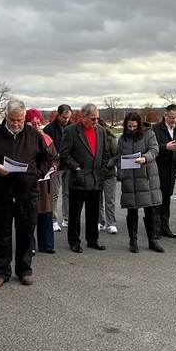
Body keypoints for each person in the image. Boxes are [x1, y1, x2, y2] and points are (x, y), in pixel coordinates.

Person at [0, 100, 54, 287]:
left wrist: (36, 174)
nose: (17, 123)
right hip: (1, 193)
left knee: (26, 233)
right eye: (13, 120)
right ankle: (1, 272)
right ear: (6, 116)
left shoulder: (34, 135)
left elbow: (49, 158)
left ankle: (24, 270)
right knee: (0, 234)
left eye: (20, 120)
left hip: (27, 192)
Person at [58, 103, 114, 253]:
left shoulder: (101, 131)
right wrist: (75, 167)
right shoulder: (71, 131)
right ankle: (74, 241)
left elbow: (105, 153)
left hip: (96, 178)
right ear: (83, 117)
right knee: (75, 213)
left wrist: (102, 170)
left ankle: (92, 239)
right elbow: (64, 155)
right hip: (78, 178)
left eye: (97, 118)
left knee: (93, 212)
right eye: (92, 119)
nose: (95, 121)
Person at [117, 112, 166, 253]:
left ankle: (152, 240)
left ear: (139, 125)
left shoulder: (149, 135)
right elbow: (118, 157)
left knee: (150, 210)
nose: (131, 129)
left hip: (146, 178)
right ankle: (133, 240)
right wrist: (121, 174)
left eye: (134, 126)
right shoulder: (122, 139)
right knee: (132, 211)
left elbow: (154, 150)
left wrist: (145, 158)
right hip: (130, 178)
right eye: (129, 126)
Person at [26, 108, 59, 254]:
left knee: (46, 212)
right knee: (30, 214)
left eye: (38, 123)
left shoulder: (47, 139)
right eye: (33, 123)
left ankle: (47, 244)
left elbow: (56, 158)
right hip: (30, 181)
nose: (36, 126)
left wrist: (54, 166)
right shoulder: (24, 140)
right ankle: (29, 246)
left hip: (45, 183)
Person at [150, 104, 176, 238]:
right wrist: (165, 147)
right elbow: (151, 149)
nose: (174, 120)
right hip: (158, 170)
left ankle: (165, 227)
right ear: (165, 116)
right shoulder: (155, 129)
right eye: (172, 117)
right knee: (157, 201)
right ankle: (155, 229)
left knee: (166, 200)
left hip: (171, 170)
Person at [43, 104, 72, 232]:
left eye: (68, 117)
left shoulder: (72, 127)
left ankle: (67, 218)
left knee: (68, 193)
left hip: (69, 164)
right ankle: (54, 219)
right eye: (64, 117)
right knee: (54, 194)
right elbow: (46, 148)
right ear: (58, 115)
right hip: (56, 166)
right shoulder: (49, 129)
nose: (66, 120)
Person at [97, 118, 119, 234]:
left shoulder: (111, 139)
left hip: (109, 174)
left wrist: (106, 165)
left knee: (110, 200)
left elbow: (116, 155)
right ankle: (100, 221)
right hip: (96, 174)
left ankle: (112, 223)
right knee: (98, 199)